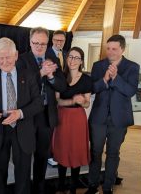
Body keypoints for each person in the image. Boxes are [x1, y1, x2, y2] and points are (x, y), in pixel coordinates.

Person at [0, 37, 43, 194]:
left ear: (16, 55)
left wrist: (20, 113)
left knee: (23, 175)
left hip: (22, 130)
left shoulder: (29, 75)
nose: (4, 61)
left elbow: (38, 103)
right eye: (0, 58)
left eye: (8, 57)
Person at [86, 34, 140, 194]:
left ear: (122, 49)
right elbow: (93, 88)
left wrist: (116, 77)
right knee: (95, 152)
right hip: (98, 118)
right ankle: (92, 185)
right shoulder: (97, 65)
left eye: (114, 49)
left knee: (113, 153)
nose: (110, 52)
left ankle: (108, 187)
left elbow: (130, 91)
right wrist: (104, 79)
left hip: (119, 119)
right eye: (108, 48)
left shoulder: (132, 67)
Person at [16, 27, 67, 194]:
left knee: (42, 157)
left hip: (46, 115)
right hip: (27, 116)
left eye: (43, 44)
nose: (39, 47)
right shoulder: (21, 60)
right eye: (36, 43)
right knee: (24, 158)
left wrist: (51, 76)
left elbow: (62, 86)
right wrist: (41, 73)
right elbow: (20, 87)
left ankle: (39, 189)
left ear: (48, 43)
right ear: (30, 42)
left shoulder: (54, 59)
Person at [52, 47, 92, 194]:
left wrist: (82, 101)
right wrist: (72, 101)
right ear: (66, 58)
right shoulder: (60, 76)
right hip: (62, 117)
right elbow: (57, 101)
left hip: (78, 119)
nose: (73, 60)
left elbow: (87, 103)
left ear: (81, 61)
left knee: (76, 152)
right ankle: (61, 187)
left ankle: (73, 188)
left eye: (77, 58)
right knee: (63, 151)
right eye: (70, 57)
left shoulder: (87, 79)